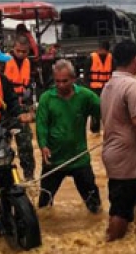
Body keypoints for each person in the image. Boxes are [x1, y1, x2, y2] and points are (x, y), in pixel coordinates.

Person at [100, 41, 136, 241]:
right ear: (135, 60)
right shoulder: (135, 87)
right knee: (121, 209)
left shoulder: (108, 85)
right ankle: (112, 249)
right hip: (127, 157)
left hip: (115, 153)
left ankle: (135, 246)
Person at [35, 60, 101, 212]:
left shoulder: (85, 96)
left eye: (65, 81)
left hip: (79, 158)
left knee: (94, 206)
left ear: (73, 79)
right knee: (44, 207)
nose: (60, 85)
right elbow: (41, 124)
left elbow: (105, 111)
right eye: (57, 81)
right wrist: (43, 145)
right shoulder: (46, 98)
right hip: (54, 159)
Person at [3, 37, 37, 180]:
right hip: (5, 110)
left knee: (26, 144)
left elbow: (28, 86)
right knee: (3, 144)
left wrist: (30, 109)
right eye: (18, 51)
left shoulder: (28, 63)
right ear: (13, 49)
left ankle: (29, 176)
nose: (21, 54)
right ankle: (4, 177)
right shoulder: (4, 61)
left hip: (22, 108)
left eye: (24, 51)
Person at [86, 40, 112, 133]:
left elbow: (114, 73)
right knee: (95, 109)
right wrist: (87, 89)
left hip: (107, 88)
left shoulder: (111, 59)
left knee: (107, 110)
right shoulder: (91, 58)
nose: (102, 52)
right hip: (94, 88)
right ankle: (95, 129)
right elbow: (86, 75)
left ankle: (107, 130)